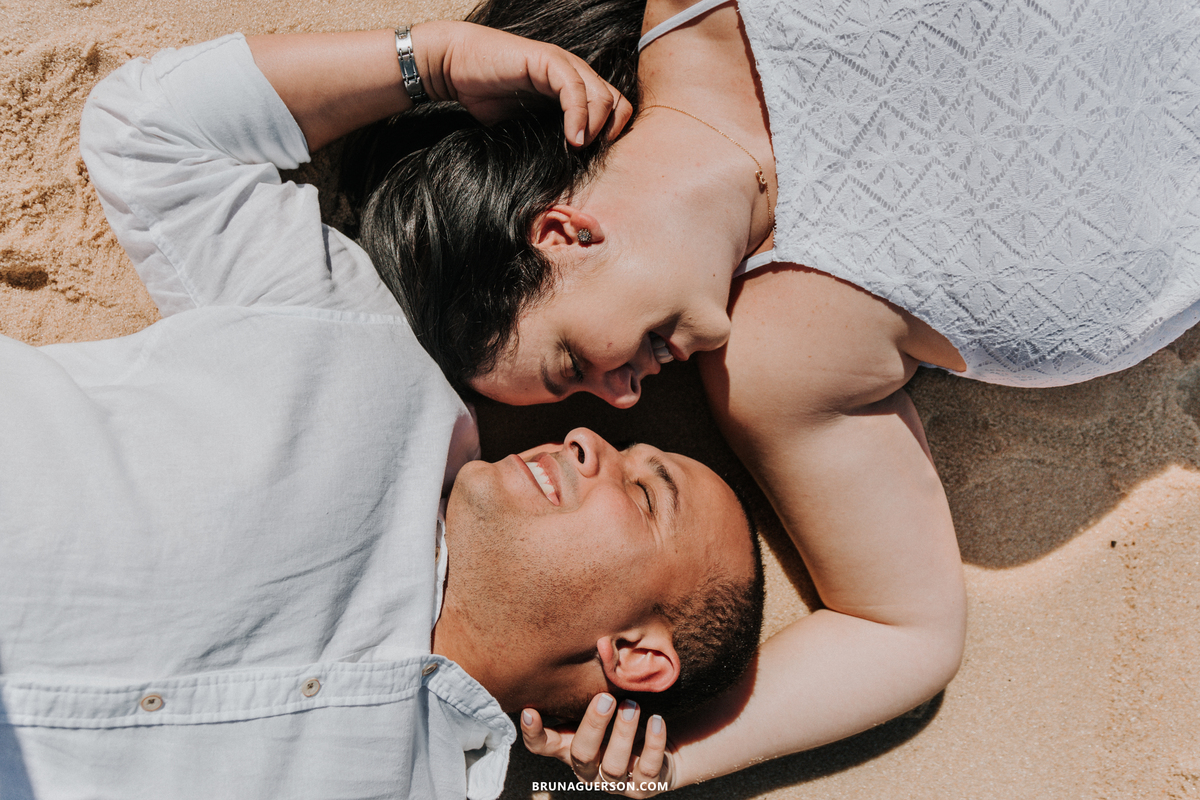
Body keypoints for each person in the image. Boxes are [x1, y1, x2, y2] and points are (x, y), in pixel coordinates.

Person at [349, 0, 1200, 793]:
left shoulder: (707, 15)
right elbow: (902, 635)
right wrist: (636, 773)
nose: (615, 403)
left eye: (574, 362)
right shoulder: (783, 362)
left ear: (564, 236)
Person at [0, 23, 766, 798]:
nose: (586, 435)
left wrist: (591, 790)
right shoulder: (368, 367)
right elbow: (149, 130)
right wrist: (431, 62)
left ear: (636, 654)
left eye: (643, 495)